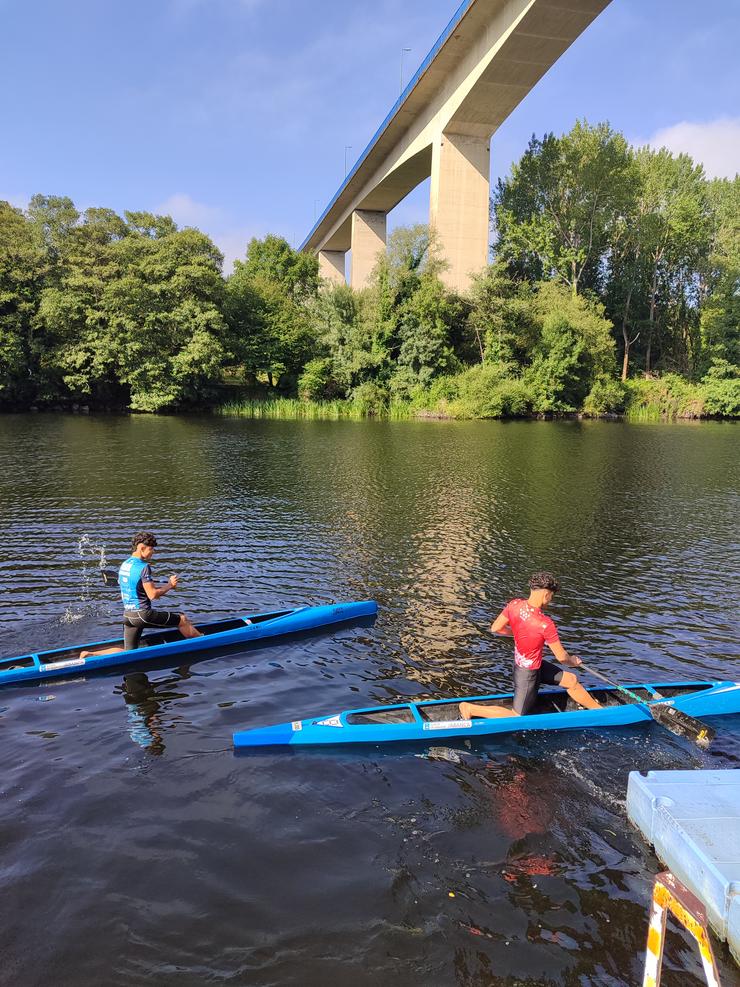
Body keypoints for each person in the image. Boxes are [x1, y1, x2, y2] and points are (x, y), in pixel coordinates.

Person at [459, 571, 601, 720]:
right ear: (546, 594)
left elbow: (496, 628)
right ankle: (469, 708)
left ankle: (600, 712)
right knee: (516, 716)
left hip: (535, 666)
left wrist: (521, 632)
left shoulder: (514, 604)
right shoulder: (545, 624)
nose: (551, 600)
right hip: (527, 674)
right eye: (552, 596)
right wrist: (574, 661)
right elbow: (562, 658)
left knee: (571, 680)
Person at [80, 532, 202, 657]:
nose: (153, 552)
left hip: (128, 616)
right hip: (143, 615)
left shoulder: (125, 565)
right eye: (151, 549)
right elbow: (153, 595)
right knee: (182, 619)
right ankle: (204, 642)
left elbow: (134, 586)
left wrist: (148, 583)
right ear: (142, 548)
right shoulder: (144, 567)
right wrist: (170, 585)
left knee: (129, 652)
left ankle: (91, 654)